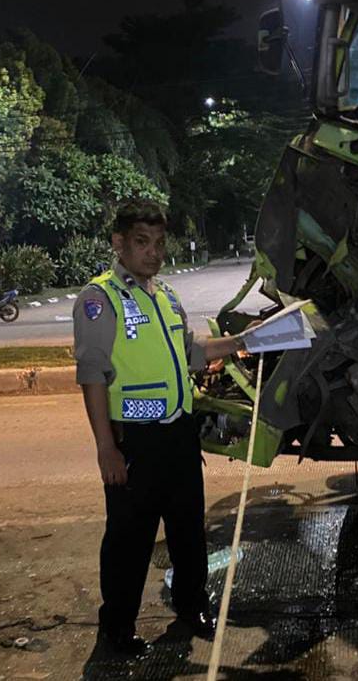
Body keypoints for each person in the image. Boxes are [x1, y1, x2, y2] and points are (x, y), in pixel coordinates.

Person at [73, 202, 250, 657]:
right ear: (119, 243)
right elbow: (92, 375)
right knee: (129, 541)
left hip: (178, 435)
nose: (153, 253)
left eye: (158, 243)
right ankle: (117, 629)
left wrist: (243, 341)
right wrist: (106, 448)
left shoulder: (166, 295)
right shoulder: (100, 299)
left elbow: (190, 351)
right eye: (141, 242)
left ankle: (192, 607)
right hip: (135, 441)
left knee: (188, 531)